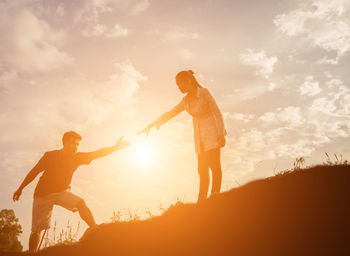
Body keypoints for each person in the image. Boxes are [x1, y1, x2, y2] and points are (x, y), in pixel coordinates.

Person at [12, 131, 130, 252]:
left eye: (77, 144)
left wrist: (116, 147)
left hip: (62, 192)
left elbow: (97, 153)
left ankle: (95, 229)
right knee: (36, 229)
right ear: (64, 143)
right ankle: (32, 252)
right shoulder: (50, 156)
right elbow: (34, 172)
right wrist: (20, 189)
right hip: (43, 194)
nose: (75, 147)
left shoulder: (77, 157)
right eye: (73, 143)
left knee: (81, 203)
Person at [138, 70, 226, 203]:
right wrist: (152, 125)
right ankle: (201, 202)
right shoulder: (185, 101)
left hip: (212, 134)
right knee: (202, 170)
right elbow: (171, 113)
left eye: (180, 84)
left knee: (215, 167)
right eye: (177, 85)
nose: (178, 88)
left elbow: (217, 113)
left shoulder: (204, 93)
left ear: (188, 81)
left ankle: (215, 198)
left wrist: (221, 134)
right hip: (199, 138)